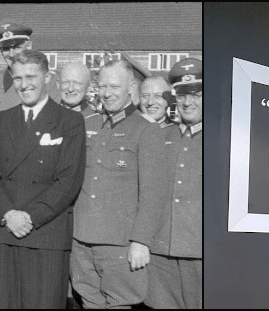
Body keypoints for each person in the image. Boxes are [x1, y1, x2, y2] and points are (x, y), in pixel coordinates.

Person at [0, 50, 85, 308]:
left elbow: (69, 180)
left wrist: (30, 218)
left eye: (31, 77)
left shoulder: (69, 120)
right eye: (17, 78)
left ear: (47, 77)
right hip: (9, 231)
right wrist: (8, 214)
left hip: (46, 231)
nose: (24, 85)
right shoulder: (2, 120)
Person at [71, 60, 166, 309]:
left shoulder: (145, 130)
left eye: (114, 86)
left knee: (120, 303)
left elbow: (153, 193)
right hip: (81, 239)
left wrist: (141, 241)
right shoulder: (87, 124)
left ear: (130, 88)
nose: (107, 93)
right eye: (102, 86)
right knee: (89, 301)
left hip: (119, 244)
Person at [140, 58, 203, 309]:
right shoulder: (161, 136)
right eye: (182, 95)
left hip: (201, 252)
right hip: (160, 252)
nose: (188, 102)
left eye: (196, 94)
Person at [0, 21, 60, 112]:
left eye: (17, 47)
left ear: (28, 46)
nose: (11, 54)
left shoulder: (49, 80)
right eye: (6, 49)